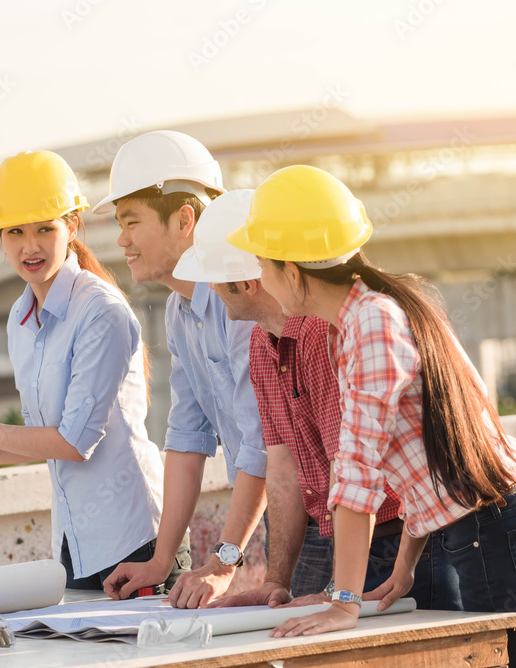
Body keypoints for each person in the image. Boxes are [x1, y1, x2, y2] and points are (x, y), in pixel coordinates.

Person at [226, 164, 516, 639]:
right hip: (484, 529)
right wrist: (405, 564)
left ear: (292, 274)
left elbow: (357, 473)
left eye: (261, 263)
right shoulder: (368, 317)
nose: (258, 277)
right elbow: (429, 460)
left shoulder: (371, 325)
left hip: (490, 532)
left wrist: (344, 602)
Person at [0, 150, 189, 590]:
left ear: (71, 226)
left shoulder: (100, 312)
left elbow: (72, 443)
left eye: (44, 229)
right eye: (14, 232)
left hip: (136, 543)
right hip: (74, 545)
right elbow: (37, 440)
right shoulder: (20, 317)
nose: (29, 246)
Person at [185, 189, 457, 611]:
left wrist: (339, 595)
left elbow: (351, 470)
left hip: (404, 544)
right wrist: (276, 580)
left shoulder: (331, 333)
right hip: (362, 544)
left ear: (245, 282)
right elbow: (282, 464)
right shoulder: (262, 342)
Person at [96, 131, 268, 608]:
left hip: (346, 514)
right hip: (292, 512)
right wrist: (161, 559)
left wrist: (224, 562)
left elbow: (263, 443)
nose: (121, 239)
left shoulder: (242, 301)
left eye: (132, 222)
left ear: (184, 220)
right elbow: (187, 438)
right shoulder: (179, 311)